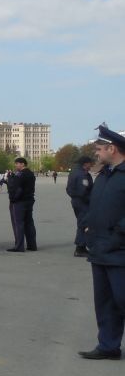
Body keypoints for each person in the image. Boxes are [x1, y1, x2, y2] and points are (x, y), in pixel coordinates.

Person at [78, 124, 125, 360]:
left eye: (99, 148)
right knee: (105, 303)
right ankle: (108, 346)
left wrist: (118, 235)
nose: (96, 153)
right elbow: (94, 205)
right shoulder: (105, 175)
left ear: (112, 148)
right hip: (99, 249)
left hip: (119, 250)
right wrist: (87, 225)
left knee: (122, 299)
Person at [6, 157, 37, 252]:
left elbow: (17, 189)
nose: (16, 165)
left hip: (19, 202)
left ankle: (19, 246)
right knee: (29, 223)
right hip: (29, 200)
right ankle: (32, 245)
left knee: (18, 224)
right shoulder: (31, 174)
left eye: (17, 164)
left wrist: (13, 199)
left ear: (22, 164)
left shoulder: (20, 175)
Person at [66, 156, 94, 257]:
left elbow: (68, 189)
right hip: (83, 202)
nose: (91, 166)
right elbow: (83, 191)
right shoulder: (82, 175)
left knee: (82, 222)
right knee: (84, 223)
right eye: (90, 163)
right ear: (85, 163)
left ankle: (81, 247)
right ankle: (80, 248)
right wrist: (92, 201)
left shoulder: (74, 172)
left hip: (76, 201)